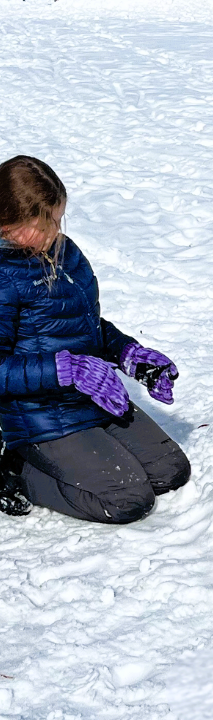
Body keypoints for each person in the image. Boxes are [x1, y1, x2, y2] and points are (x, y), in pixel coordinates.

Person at [0, 156, 191, 524]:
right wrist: (65, 370)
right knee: (128, 499)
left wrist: (129, 353)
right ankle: (18, 467)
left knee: (170, 471)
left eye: (57, 220)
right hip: (39, 415)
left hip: (91, 396)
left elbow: (82, 325)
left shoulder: (62, 252)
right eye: (44, 224)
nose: (55, 232)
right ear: (8, 223)